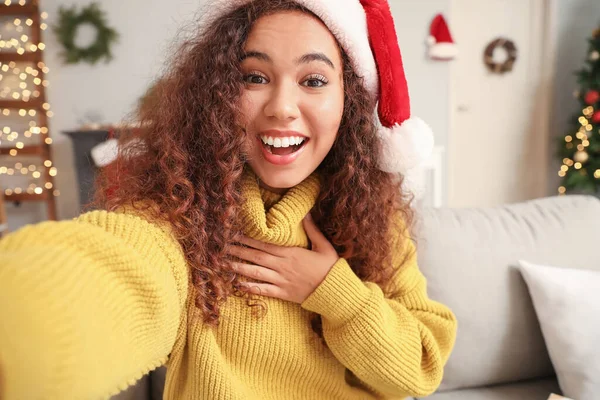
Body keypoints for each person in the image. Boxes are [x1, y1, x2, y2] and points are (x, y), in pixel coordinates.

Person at [0, 0, 457, 398]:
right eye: (255, 77)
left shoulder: (379, 216)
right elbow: (119, 271)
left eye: (314, 80)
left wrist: (334, 292)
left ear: (349, 100)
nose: (281, 106)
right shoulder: (178, 209)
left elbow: (419, 368)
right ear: (218, 94)